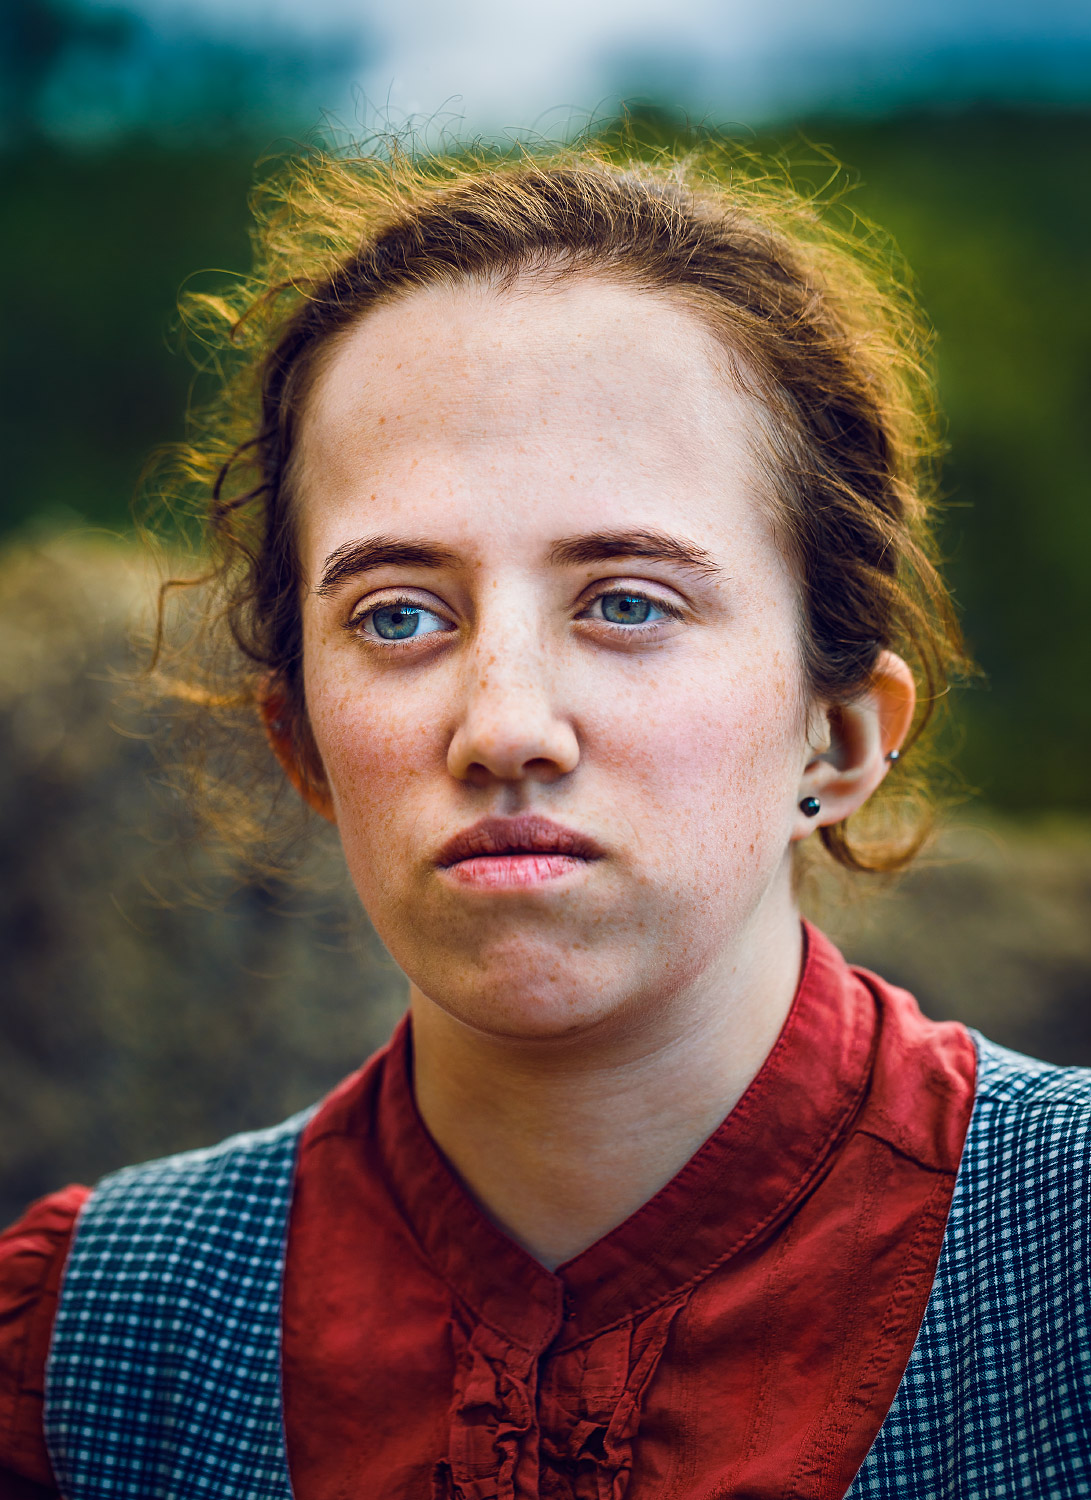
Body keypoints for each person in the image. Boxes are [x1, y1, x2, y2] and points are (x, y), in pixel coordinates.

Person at [1, 143, 1089, 1500]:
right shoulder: (92, 1357)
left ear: (842, 733)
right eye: (399, 615)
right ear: (304, 744)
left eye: (627, 601)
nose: (504, 723)